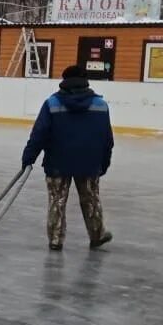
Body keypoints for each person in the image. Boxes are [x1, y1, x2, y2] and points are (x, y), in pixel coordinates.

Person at [21, 65, 114, 251]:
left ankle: (56, 239)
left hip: (57, 162)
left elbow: (39, 133)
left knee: (57, 200)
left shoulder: (52, 103)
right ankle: (97, 235)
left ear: (63, 81)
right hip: (89, 163)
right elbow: (107, 140)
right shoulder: (100, 105)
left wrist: (28, 157)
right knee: (91, 198)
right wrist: (103, 164)